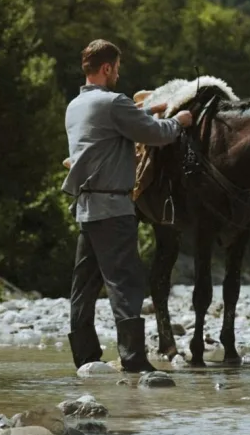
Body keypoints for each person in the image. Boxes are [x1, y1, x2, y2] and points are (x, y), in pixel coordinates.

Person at [61, 39, 194, 373]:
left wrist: (146, 109)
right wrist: (180, 121)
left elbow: (117, 123)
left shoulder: (76, 105)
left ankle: (86, 358)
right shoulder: (113, 102)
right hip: (114, 208)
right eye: (117, 68)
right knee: (126, 283)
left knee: (84, 285)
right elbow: (155, 134)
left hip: (87, 208)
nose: (119, 74)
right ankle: (134, 360)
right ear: (107, 68)